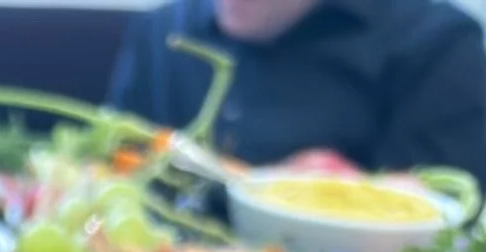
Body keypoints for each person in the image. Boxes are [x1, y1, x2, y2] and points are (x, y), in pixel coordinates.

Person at [108, 0, 486, 174]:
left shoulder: (437, 45)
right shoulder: (160, 31)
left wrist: (346, 194)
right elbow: (111, 167)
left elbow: (449, 234)